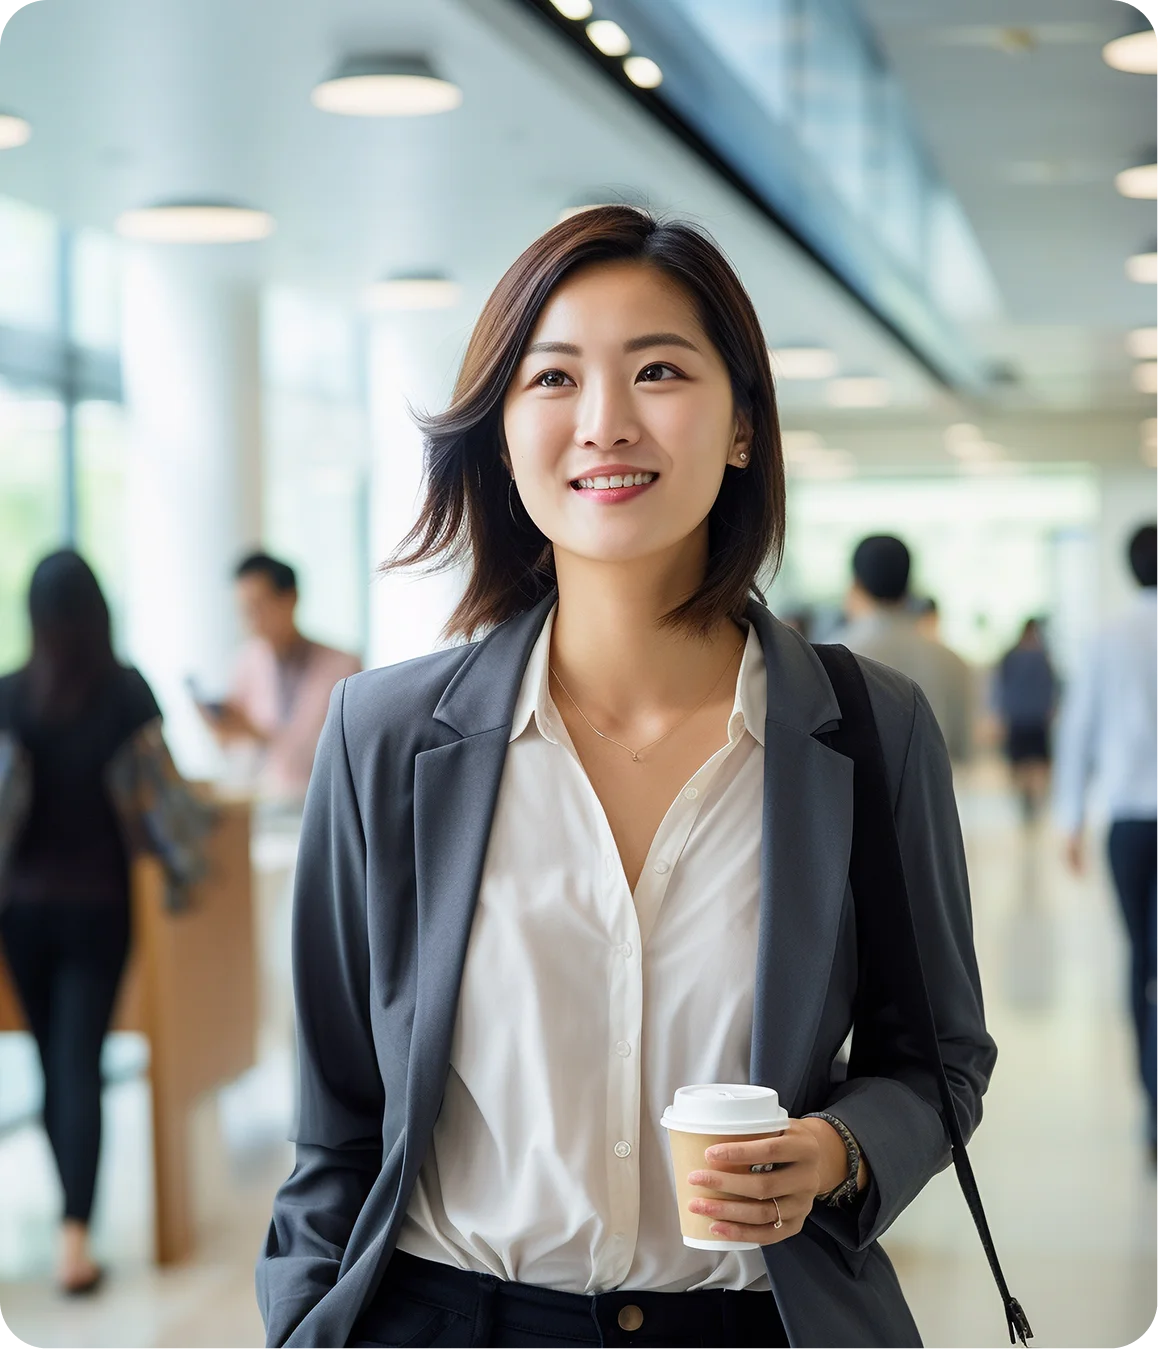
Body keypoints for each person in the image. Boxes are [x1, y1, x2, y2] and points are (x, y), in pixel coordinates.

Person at [256, 207, 995, 1349]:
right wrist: (303, 1321)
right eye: (553, 378)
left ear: (743, 425)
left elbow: (937, 1059)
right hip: (450, 1317)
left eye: (657, 369)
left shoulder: (863, 726)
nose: (605, 422)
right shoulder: (387, 735)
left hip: (753, 1324)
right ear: (502, 433)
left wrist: (838, 1150)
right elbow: (339, 1120)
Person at [0, 551, 209, 1295]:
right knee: (79, 1061)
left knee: (56, 1067)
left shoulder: (10, 695)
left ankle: (70, 1226)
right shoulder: (125, 691)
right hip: (100, 909)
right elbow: (164, 797)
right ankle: (74, 1240)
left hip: (20, 912)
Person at [1054, 523, 1158, 1163]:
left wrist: (1069, 817)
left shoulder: (1108, 637)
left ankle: (1151, 1103)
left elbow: (1079, 731)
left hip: (1127, 823)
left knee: (1140, 961)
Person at [199, 552, 361, 803]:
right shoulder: (246, 662)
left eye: (259, 607)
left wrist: (258, 734)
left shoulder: (343, 666)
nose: (251, 621)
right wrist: (224, 731)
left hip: (324, 801)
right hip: (265, 802)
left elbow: (338, 754)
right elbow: (235, 754)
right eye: (244, 610)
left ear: (291, 598)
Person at [837, 536, 974, 764]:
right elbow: (962, 748)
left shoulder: (837, 653)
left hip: (856, 795)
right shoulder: (952, 660)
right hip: (933, 792)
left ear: (856, 584)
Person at [994, 618, 1057, 824]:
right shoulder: (1039, 658)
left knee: (1029, 763)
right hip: (1027, 718)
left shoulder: (1020, 657)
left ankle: (1030, 802)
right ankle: (1028, 802)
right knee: (1028, 763)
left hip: (1026, 718)